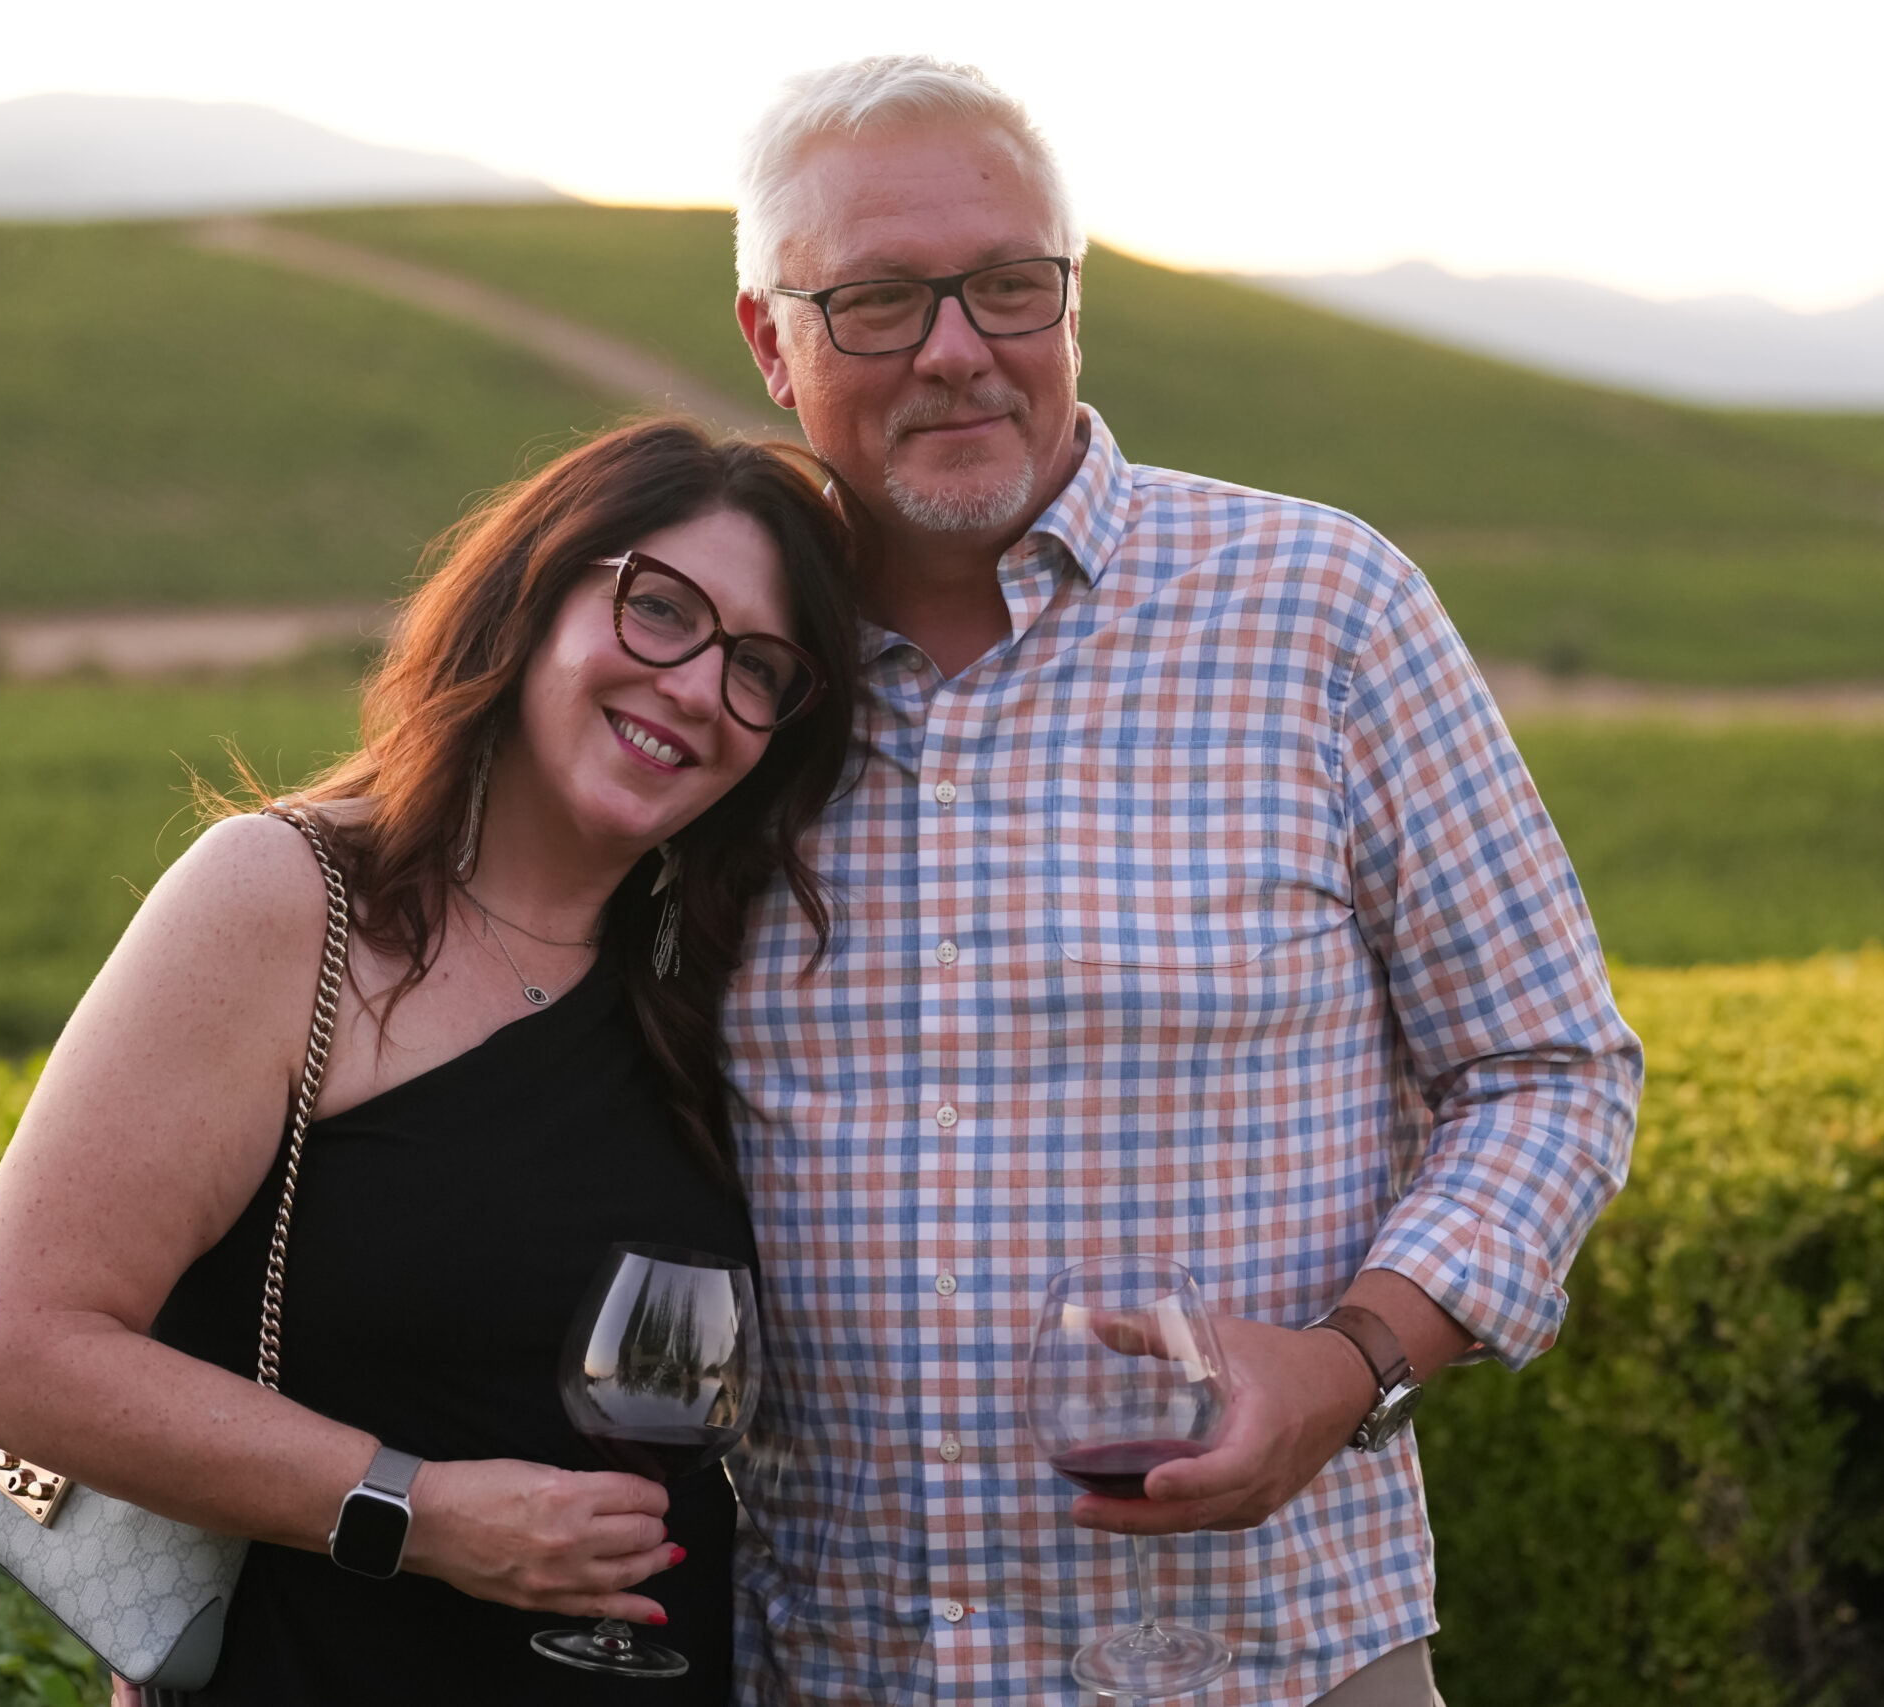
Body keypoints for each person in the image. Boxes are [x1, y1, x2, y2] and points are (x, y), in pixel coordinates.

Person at [719, 57, 1644, 1706]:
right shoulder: (713, 679)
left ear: (1073, 300)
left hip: (1271, 1663)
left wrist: (1352, 1358)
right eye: (878, 299)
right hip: (827, 1662)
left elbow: (1550, 1067)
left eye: (1010, 285)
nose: (958, 347)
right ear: (770, 340)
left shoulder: (1323, 610)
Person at [0, 419, 860, 1705]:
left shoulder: (708, 981)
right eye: (660, 609)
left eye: (759, 667)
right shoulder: (287, 902)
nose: (700, 687)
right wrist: (417, 1512)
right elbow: (14, 1355)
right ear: (535, 594)